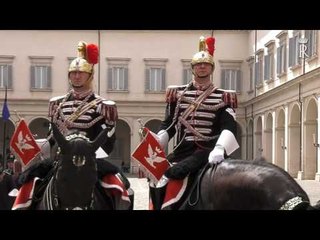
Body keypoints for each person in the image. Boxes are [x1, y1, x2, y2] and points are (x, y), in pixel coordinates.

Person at [17, 41, 132, 209]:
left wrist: (102, 136)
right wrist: (36, 146)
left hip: (91, 158)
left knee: (122, 186)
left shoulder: (102, 105)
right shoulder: (57, 104)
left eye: (81, 73)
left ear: (89, 75)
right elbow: (52, 137)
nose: (76, 76)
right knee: (27, 182)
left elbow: (107, 141)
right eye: (73, 73)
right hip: (61, 159)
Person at [149, 36, 239, 209]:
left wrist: (220, 148)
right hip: (183, 151)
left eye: (206, 64)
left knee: (171, 174)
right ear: (192, 68)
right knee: (156, 179)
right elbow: (169, 124)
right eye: (198, 64)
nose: (202, 67)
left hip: (210, 150)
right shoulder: (178, 94)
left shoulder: (224, 96)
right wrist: (160, 140)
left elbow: (229, 127)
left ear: (212, 68)